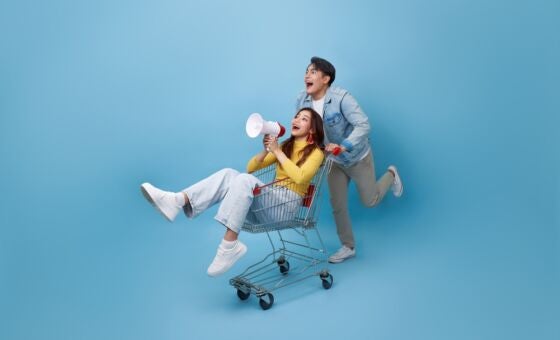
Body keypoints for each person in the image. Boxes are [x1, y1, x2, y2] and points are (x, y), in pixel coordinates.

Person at [140, 108, 325, 276]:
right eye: (296, 116)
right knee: (230, 173)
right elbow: (251, 167)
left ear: (312, 129)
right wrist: (266, 150)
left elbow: (301, 177)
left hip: (284, 208)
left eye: (304, 118)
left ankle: (229, 245)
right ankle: (177, 200)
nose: (297, 119)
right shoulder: (285, 146)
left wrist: (278, 152)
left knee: (244, 180)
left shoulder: (316, 152)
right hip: (268, 205)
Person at [295, 57, 404, 263]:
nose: (306, 75)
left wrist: (343, 145)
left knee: (369, 201)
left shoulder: (341, 98)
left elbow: (363, 125)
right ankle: (348, 246)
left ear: (326, 79)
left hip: (357, 157)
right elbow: (303, 130)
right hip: (333, 162)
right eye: (306, 71)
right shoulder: (302, 100)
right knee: (338, 205)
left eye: (313, 72)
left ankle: (391, 174)